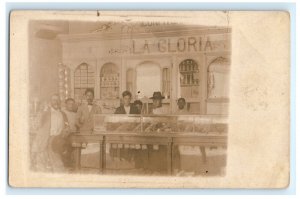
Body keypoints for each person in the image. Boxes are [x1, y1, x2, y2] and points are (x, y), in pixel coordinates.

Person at [31, 94, 69, 172]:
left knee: (58, 164)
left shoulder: (63, 114)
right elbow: (36, 125)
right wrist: (42, 112)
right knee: (42, 164)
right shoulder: (45, 113)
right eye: (54, 100)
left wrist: (64, 134)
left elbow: (67, 127)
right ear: (50, 102)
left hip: (56, 141)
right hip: (43, 140)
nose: (56, 102)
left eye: (58, 100)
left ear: (60, 102)